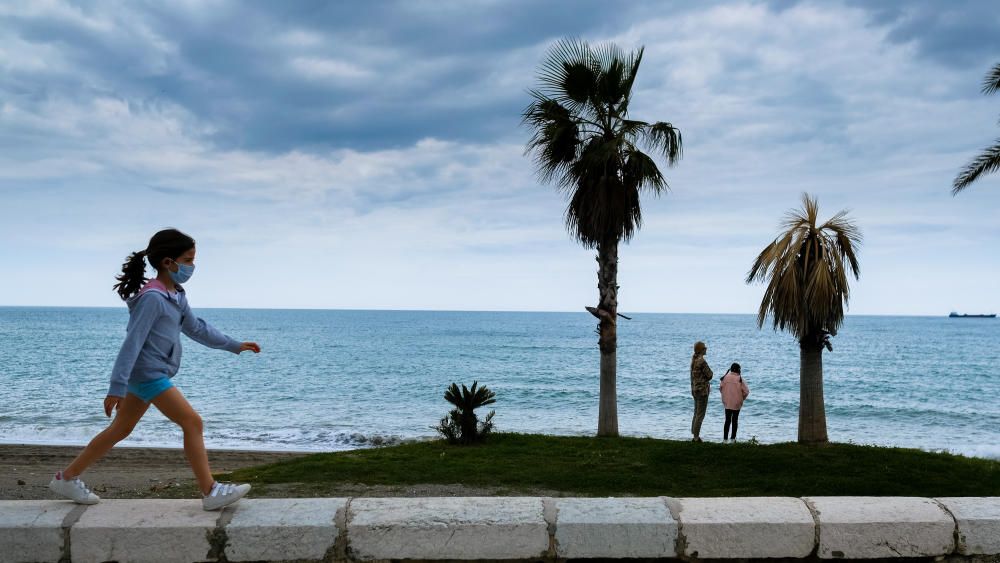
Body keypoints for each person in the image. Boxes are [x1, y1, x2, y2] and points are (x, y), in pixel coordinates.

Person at [48, 228, 261, 511]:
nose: (192, 266)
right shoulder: (152, 298)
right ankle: (210, 490)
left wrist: (234, 345)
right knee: (192, 422)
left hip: (148, 373)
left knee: (119, 430)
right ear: (167, 262)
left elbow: (196, 328)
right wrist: (116, 387)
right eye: (188, 260)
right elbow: (132, 343)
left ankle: (67, 477)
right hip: (149, 374)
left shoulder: (176, 294)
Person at [719, 362, 750, 443]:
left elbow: (721, 388)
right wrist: (741, 398)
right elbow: (746, 391)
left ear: (731, 369)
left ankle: (725, 439)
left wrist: (725, 396)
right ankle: (733, 439)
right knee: (735, 420)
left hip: (727, 402)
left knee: (727, 420)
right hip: (737, 403)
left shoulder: (725, 378)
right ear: (738, 370)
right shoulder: (740, 379)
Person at [689, 341, 713, 442]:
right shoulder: (702, 361)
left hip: (695, 389)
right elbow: (710, 375)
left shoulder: (693, 360)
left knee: (696, 412)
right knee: (700, 414)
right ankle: (696, 437)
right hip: (702, 391)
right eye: (704, 348)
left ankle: (694, 433)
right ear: (701, 350)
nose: (706, 349)